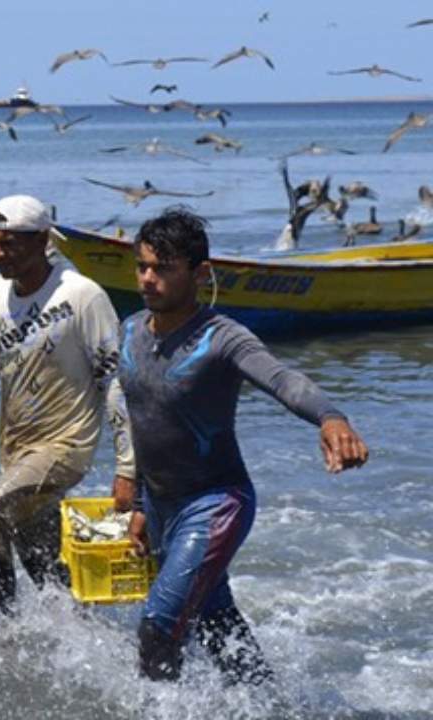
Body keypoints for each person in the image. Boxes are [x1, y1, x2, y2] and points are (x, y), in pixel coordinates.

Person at [119, 208, 369, 684]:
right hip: (162, 506)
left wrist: (330, 416)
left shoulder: (222, 338)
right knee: (218, 625)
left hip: (215, 503)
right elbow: (142, 418)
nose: (148, 279)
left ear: (200, 274)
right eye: (142, 266)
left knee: (157, 628)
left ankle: (161, 714)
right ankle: (271, 705)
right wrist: (139, 503)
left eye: (163, 268)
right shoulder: (130, 331)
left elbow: (283, 379)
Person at [0, 195, 136, 614]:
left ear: (42, 240)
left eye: (9, 244)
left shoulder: (82, 295)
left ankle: (1, 634)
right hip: (17, 454)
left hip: (65, 449)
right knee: (47, 572)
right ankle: (84, 636)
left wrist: (127, 469)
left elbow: (116, 384)